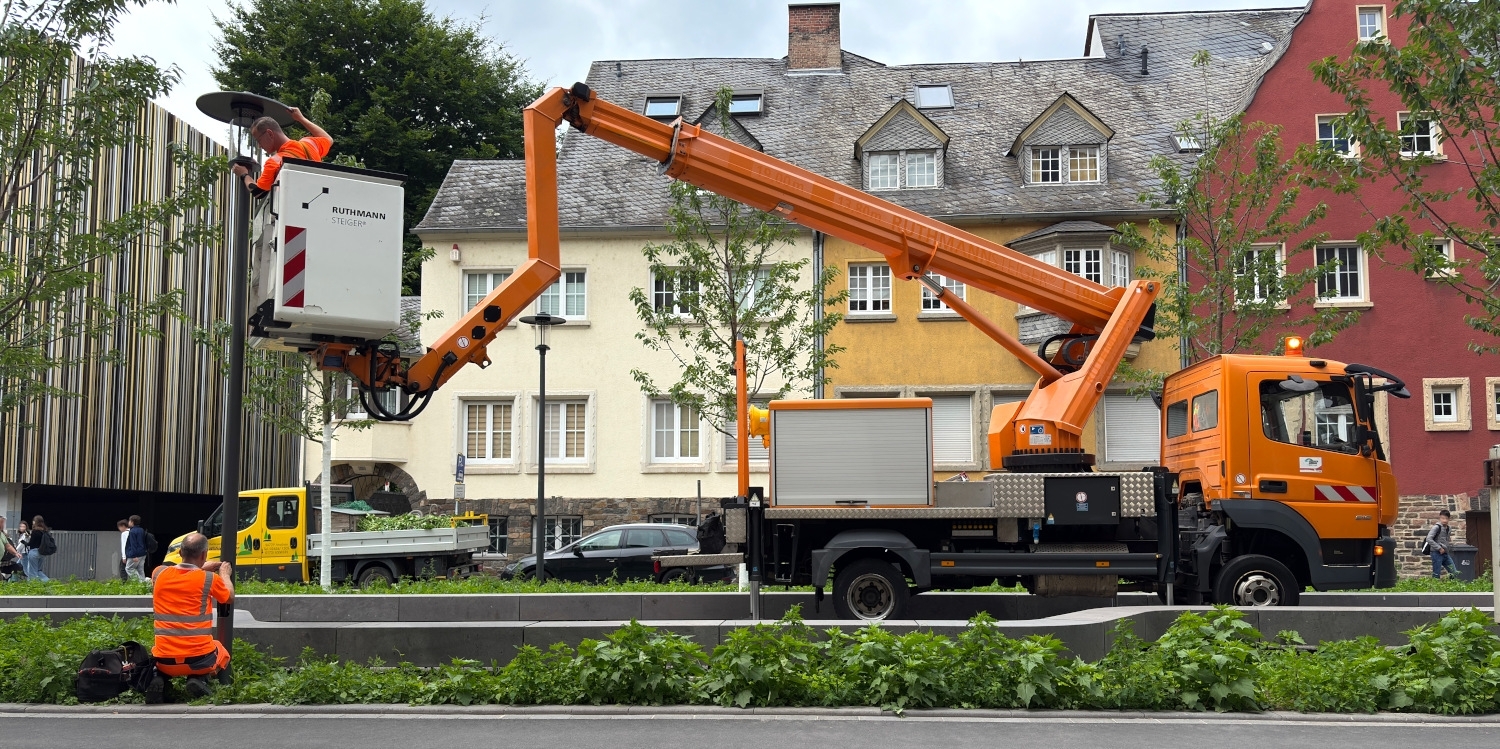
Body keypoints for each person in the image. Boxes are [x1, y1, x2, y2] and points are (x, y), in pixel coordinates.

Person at [146, 532, 234, 702]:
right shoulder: (209, 579)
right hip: (199, 660)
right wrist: (224, 574)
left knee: (163, 659)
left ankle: (159, 678)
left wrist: (200, 567)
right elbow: (228, 596)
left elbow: (180, 574)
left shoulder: (158, 574)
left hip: (165, 662)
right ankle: (198, 679)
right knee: (221, 650)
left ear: (180, 553)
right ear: (204, 555)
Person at [228, 107, 332, 197]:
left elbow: (258, 192)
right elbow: (328, 139)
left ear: (270, 134)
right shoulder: (309, 144)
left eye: (259, 140)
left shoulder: (274, 162)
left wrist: (244, 174)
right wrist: (301, 118)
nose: (259, 146)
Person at [1426, 509, 1459, 579]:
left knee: (1454, 573)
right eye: (1443, 518)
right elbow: (1429, 539)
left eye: (1446, 518)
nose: (1444, 520)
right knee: (1436, 575)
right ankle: (1434, 589)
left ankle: (1452, 588)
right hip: (1436, 553)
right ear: (1440, 518)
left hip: (1445, 553)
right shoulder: (1436, 527)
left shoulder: (1449, 528)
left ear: (1449, 519)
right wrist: (1439, 548)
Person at [23, 516, 49, 582]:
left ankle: (33, 587)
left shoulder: (35, 531)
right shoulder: (45, 531)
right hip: (42, 553)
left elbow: (31, 543)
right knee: (38, 570)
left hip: (34, 552)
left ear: (35, 522)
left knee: (32, 572)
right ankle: (47, 581)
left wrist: (25, 542)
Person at [124, 515, 148, 582]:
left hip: (135, 554)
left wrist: (134, 555)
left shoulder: (132, 532)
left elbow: (133, 544)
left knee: (129, 568)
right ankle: (144, 584)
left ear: (132, 522)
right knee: (140, 569)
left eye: (129, 521)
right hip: (143, 553)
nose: (128, 522)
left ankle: (141, 582)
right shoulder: (141, 530)